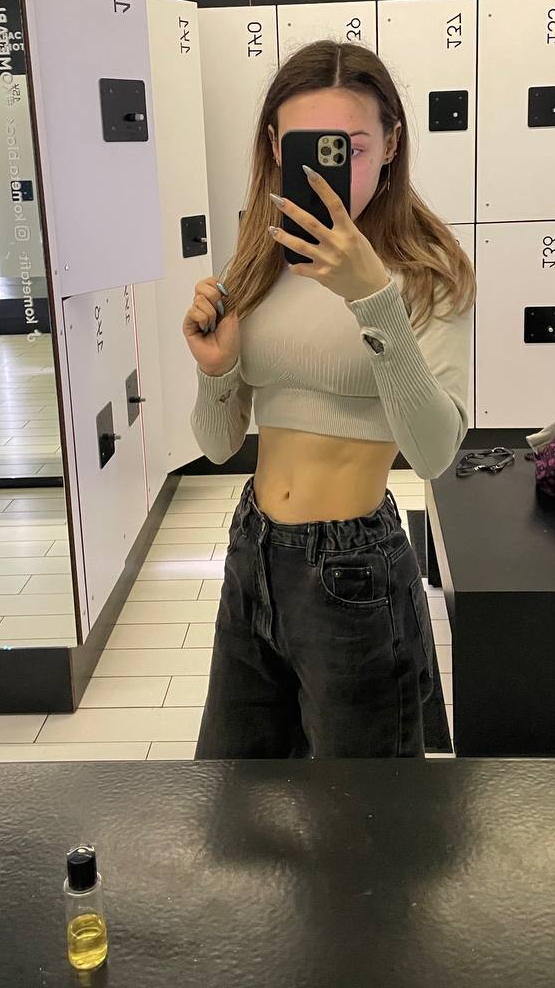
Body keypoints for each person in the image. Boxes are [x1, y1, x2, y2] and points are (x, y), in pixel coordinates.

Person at [182, 39, 476, 758]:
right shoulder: (257, 261)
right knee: (234, 796)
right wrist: (217, 371)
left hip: (354, 567)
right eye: (306, 148)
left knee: (361, 811)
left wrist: (373, 299)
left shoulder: (425, 272)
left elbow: (433, 453)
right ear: (275, 146)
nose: (327, 171)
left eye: (351, 148)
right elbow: (218, 446)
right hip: (252, 550)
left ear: (391, 145)